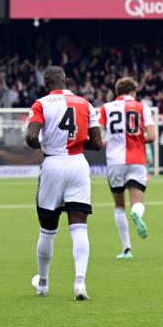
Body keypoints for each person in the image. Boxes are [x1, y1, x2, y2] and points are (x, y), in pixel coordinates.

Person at [25, 66, 102, 300]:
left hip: (53, 165)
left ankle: (44, 283)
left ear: (45, 82)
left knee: (47, 231)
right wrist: (75, 144)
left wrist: (48, 144)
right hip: (78, 164)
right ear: (66, 81)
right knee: (79, 227)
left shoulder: (41, 104)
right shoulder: (86, 104)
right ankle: (80, 283)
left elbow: (30, 138)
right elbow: (97, 143)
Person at [98, 77, 156, 260]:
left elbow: (97, 136)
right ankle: (137, 213)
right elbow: (152, 136)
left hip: (115, 161)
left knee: (119, 205)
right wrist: (137, 140)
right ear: (133, 92)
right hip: (137, 159)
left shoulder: (106, 108)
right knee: (137, 201)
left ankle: (127, 249)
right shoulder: (142, 107)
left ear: (117, 92)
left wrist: (109, 142)